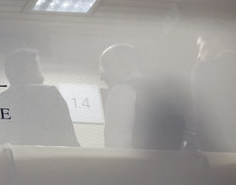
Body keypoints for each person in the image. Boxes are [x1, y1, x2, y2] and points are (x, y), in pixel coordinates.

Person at [0, 48, 79, 147]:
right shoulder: (49, 95)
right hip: (47, 163)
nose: (41, 72)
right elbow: (69, 142)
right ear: (30, 68)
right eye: (39, 66)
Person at [101, 43, 186, 150]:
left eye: (107, 66)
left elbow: (116, 144)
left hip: (138, 165)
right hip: (173, 164)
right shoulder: (165, 93)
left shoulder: (121, 91)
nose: (103, 75)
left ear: (125, 63)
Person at [191, 24, 236, 152]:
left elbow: (198, 109)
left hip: (214, 141)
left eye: (200, 45)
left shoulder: (203, 69)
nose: (199, 52)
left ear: (215, 41)